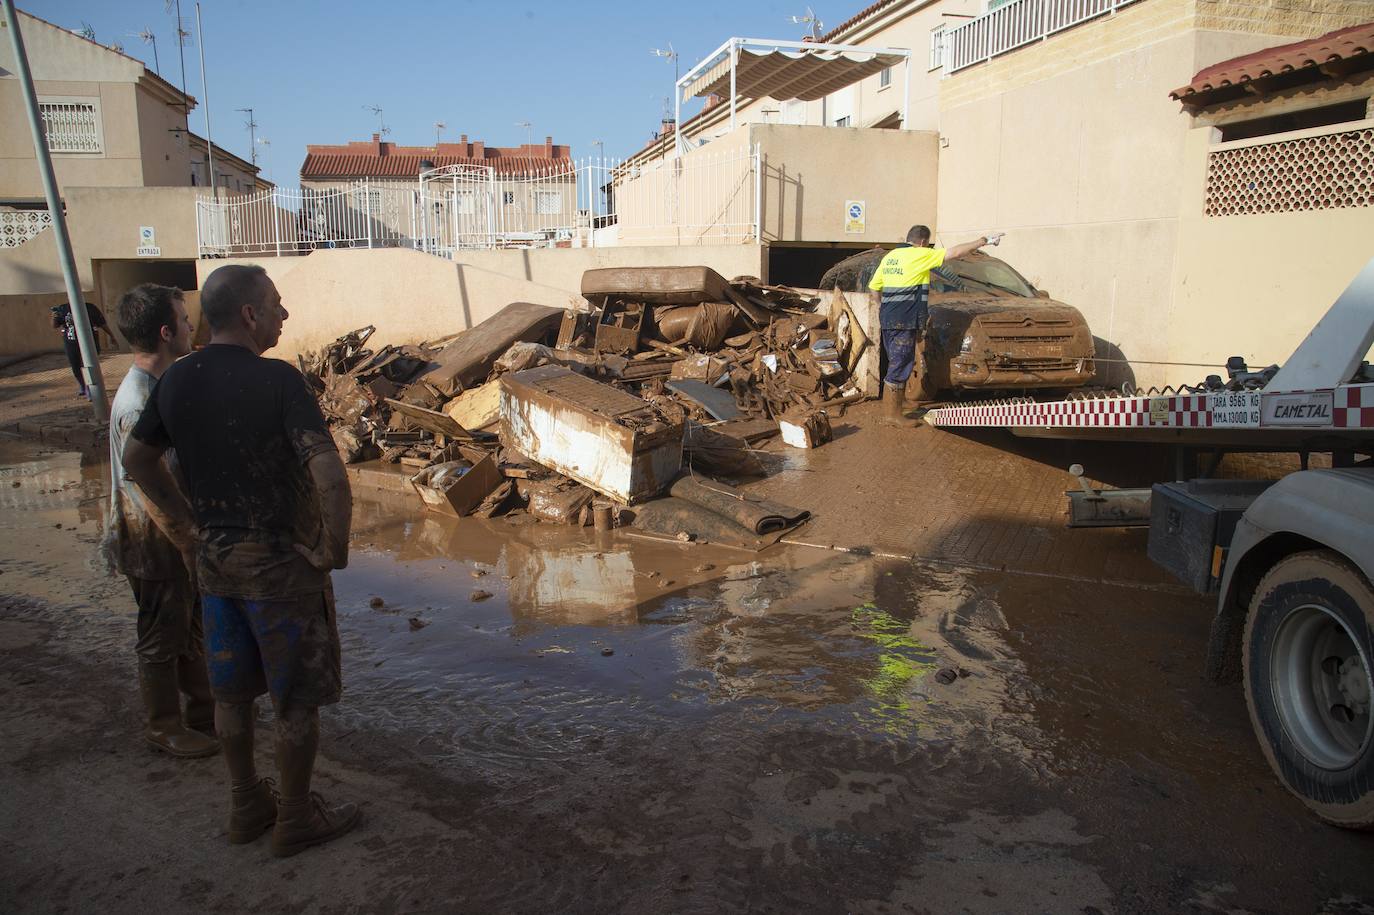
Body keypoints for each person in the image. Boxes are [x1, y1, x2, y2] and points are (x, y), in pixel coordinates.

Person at [122, 264, 359, 857]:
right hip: (280, 568)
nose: (285, 315)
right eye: (276, 304)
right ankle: (297, 816)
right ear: (250, 314)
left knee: (230, 695)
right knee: (296, 699)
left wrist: (188, 524)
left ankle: (246, 801)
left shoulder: (175, 382)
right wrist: (332, 549)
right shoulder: (279, 380)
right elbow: (328, 474)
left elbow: (137, 460)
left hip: (216, 567)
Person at [102, 284, 220, 760]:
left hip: (174, 532)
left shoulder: (159, 388)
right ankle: (163, 724)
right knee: (161, 634)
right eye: (185, 320)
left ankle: (202, 709)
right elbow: (147, 486)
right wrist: (189, 541)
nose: (193, 327)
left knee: (189, 626)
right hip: (153, 537)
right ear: (167, 332)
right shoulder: (137, 402)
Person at [868, 225, 996, 423]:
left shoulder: (890, 257)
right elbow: (954, 252)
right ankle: (892, 415)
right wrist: (982, 240)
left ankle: (898, 403)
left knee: (899, 360)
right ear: (922, 242)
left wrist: (883, 308)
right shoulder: (919, 255)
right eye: (928, 244)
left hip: (889, 318)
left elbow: (874, 288)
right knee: (900, 363)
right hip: (905, 319)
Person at [51, 299, 109, 398]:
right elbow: (55, 325)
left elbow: (102, 323)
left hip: (89, 342)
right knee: (75, 366)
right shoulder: (63, 309)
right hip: (71, 342)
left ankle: (89, 388)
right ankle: (83, 385)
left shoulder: (90, 308)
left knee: (87, 365)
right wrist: (54, 317)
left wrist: (112, 336)